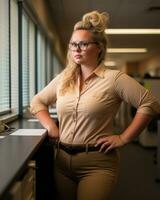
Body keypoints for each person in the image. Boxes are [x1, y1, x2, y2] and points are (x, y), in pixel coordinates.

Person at [30, 10, 160, 200]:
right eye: (73, 44)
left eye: (83, 44)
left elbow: (150, 104)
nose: (77, 48)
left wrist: (123, 138)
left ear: (99, 47)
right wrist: (50, 126)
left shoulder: (114, 79)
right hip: (61, 162)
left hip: (97, 164)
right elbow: (37, 101)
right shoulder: (64, 79)